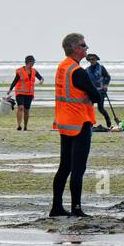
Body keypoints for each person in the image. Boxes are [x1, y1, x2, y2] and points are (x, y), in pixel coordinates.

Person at [50, 33, 108, 218]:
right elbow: (96, 96)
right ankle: (76, 208)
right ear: (75, 48)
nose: (86, 48)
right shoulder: (78, 71)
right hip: (80, 123)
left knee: (64, 167)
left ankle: (56, 207)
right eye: (83, 45)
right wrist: (97, 94)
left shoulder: (63, 67)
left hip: (64, 122)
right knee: (78, 169)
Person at [8, 55, 44, 131]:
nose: (34, 63)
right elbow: (15, 81)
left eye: (34, 62)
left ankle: (25, 126)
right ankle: (19, 125)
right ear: (29, 62)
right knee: (20, 107)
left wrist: (41, 81)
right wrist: (10, 89)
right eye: (33, 62)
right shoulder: (20, 71)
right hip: (20, 93)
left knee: (26, 110)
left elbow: (41, 78)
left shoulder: (34, 71)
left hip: (29, 94)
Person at [86, 54, 113, 127]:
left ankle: (107, 119)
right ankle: (90, 124)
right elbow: (85, 81)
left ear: (96, 59)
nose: (91, 61)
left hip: (100, 91)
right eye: (90, 59)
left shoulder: (101, 68)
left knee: (100, 108)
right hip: (91, 92)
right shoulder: (87, 70)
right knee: (89, 108)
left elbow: (108, 77)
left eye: (93, 59)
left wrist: (106, 85)